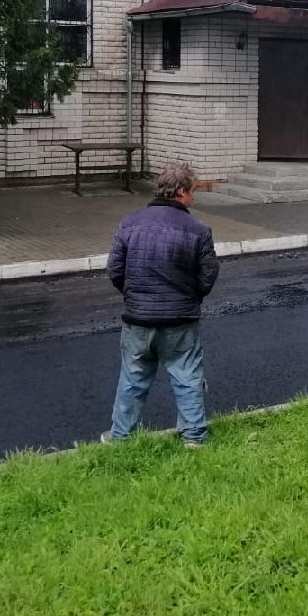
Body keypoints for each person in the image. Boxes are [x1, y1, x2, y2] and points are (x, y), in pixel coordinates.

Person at [102, 160, 220, 448]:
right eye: (191, 191)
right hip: (180, 321)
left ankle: (120, 439)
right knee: (188, 377)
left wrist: (134, 297)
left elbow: (114, 270)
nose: (193, 197)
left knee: (132, 379)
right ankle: (194, 438)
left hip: (137, 319)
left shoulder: (129, 223)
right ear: (180, 191)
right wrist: (191, 299)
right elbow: (207, 277)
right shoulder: (198, 230)